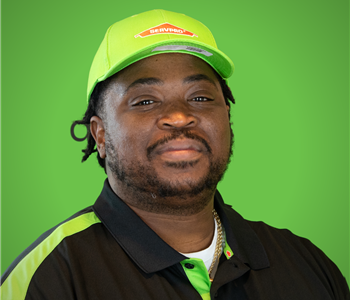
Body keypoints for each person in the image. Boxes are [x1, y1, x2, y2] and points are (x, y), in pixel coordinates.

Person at [0, 9, 349, 300]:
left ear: (226, 118)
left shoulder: (306, 263)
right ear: (100, 135)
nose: (180, 116)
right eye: (145, 101)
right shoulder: (49, 276)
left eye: (199, 97)